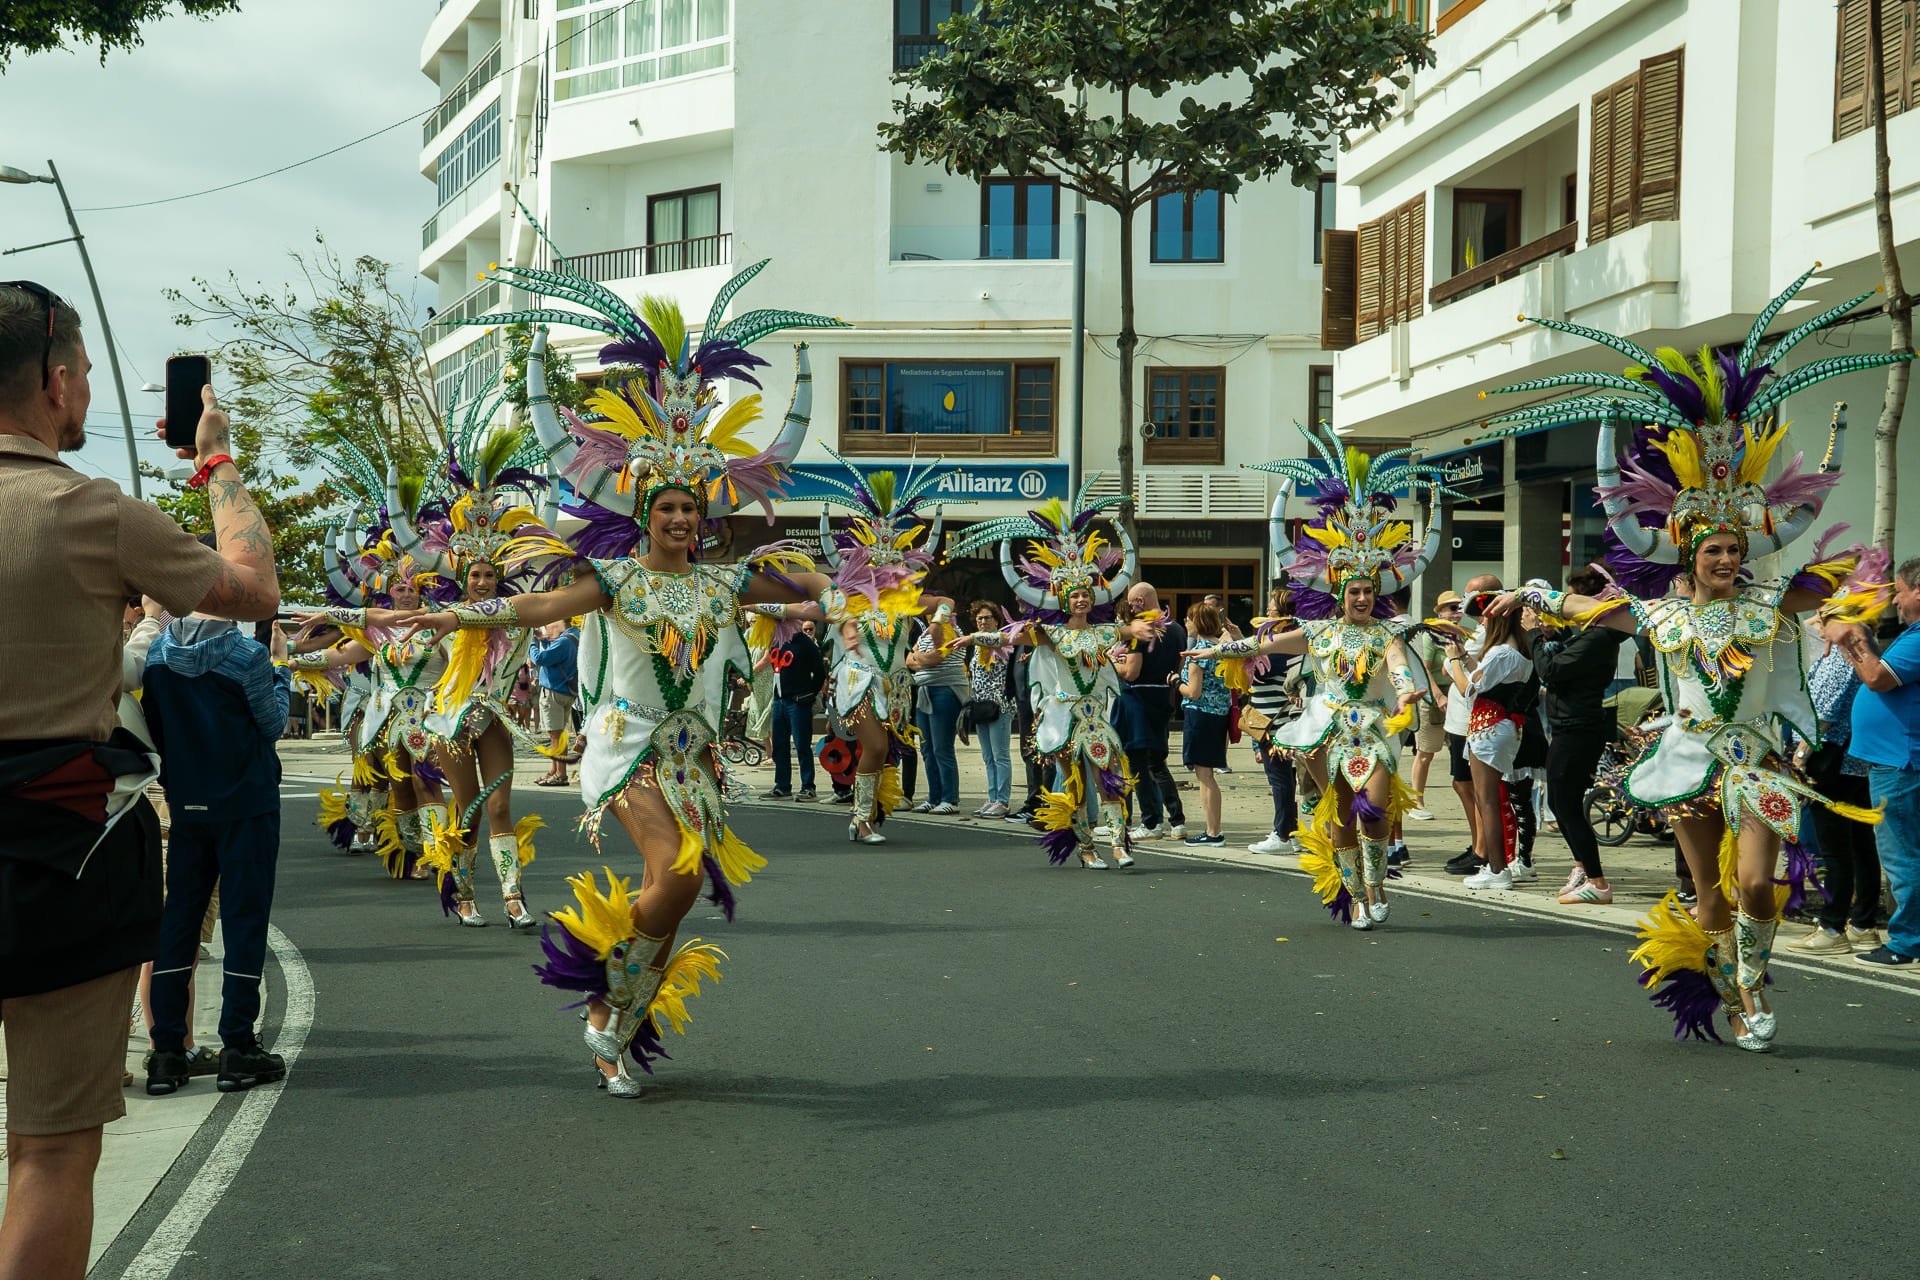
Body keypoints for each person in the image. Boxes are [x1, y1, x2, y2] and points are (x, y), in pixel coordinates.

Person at [414, 238, 848, 1096]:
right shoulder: (610, 578)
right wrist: (458, 609)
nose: (683, 519)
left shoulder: (726, 583)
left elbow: (811, 585)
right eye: (670, 508)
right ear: (645, 513)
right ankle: (608, 998)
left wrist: (831, 579)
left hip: (696, 753)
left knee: (675, 893)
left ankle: (613, 1014)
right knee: (679, 869)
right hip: (627, 742)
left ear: (707, 513)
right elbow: (534, 608)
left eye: (694, 507)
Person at [1496, 265, 1896, 1048]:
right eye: (1710, 547)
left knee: (1755, 882)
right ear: (1688, 550)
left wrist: (1858, 607)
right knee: (1709, 890)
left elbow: (1842, 588)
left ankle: (1751, 984)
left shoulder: (1765, 602)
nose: (1721, 557)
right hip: (1683, 758)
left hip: (1758, 761)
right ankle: (1730, 984)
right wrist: (1536, 593)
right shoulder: (1660, 612)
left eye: (1730, 547)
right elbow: (1583, 605)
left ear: (1744, 548)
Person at [0, 280, 279, 1280]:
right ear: (60, 378)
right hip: (55, 848)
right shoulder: (88, 510)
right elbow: (252, 588)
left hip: (55, 844)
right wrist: (215, 459)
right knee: (51, 1145)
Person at [1194, 425, 1454, 930]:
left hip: (1372, 732)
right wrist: (1209, 651)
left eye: (1367, 590)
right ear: (1339, 592)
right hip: (1322, 731)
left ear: (1376, 591)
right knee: (1338, 818)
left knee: (1374, 812)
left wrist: (1407, 694)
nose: (1360, 597)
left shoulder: (1386, 633)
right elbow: (1262, 644)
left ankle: (1377, 884)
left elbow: (1399, 666)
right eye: (1352, 590)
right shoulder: (1316, 631)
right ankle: (1356, 897)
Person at [947, 491, 1157, 868]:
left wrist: (1142, 629)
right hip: (1063, 719)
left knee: (1108, 779)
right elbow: (1007, 635)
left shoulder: (1104, 631)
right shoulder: (1049, 633)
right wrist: (973, 636)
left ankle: (1120, 845)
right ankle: (1087, 848)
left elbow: (1130, 630)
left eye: (1085, 594)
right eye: (1074, 595)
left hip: (1095, 719)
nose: (1080, 600)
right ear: (1062, 599)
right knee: (1073, 785)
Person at [140, 607, 292, 1096]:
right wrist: (283, 670)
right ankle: (238, 1045)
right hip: (246, 802)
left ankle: (166, 1052)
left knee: (177, 921)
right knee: (245, 918)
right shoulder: (246, 653)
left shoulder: (159, 654)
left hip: (187, 801)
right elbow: (272, 724)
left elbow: (155, 725)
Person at [1838, 557, 1920, 968]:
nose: (1897, 600)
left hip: (1900, 764)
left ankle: (1907, 943)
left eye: (1901, 591)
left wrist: (1850, 636)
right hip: (1897, 761)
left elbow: (1877, 678)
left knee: (1903, 856)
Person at [1533, 568, 1629, 904]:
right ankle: (1582, 868)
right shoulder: (1588, 636)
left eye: (1574, 600)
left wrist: (1535, 636)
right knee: (1561, 803)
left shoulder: (1598, 638)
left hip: (1578, 728)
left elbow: (1551, 671)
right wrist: (1548, 636)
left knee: (1565, 803)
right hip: (1570, 726)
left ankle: (1597, 882)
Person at [1788, 615, 1881, 952]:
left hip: (1829, 760)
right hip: (1854, 761)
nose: (1816, 619)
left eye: (1825, 614)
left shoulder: (1840, 655)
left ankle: (1831, 927)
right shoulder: (1861, 651)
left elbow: (1822, 716)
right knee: (1860, 844)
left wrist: (1799, 757)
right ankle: (1862, 924)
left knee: (1836, 848)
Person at [1443, 597, 1536, 891]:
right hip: (1500, 726)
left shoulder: (1501, 652)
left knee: (1487, 802)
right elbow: (1484, 676)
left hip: (1489, 728)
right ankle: (1497, 866)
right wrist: (1465, 660)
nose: (1481, 623)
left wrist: (1454, 661)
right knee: (1491, 801)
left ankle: (1498, 869)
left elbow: (1467, 687)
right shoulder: (1516, 650)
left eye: (1485, 618)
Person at [1114, 581, 1187, 841]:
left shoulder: (1140, 630)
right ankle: (1177, 821)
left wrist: (1112, 664)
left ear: (1140, 603)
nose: (1130, 609)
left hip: (1137, 701)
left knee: (1137, 764)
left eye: (1132, 603)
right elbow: (1180, 664)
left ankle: (1151, 822)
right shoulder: (1177, 629)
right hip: (1162, 697)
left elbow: (1131, 671)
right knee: (1158, 763)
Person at [1442, 575, 1502, 875]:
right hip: (1460, 718)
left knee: (1476, 788)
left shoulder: (1488, 631)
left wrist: (1455, 657)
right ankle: (1479, 843)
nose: (1464, 605)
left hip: (1472, 717)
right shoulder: (1478, 631)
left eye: (1470, 597)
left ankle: (1483, 848)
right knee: (1463, 784)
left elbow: (1454, 670)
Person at [1246, 586, 1301, 855]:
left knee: (1279, 778)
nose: (1267, 612)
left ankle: (1281, 834)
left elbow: (1262, 670)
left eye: (1272, 609)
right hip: (1273, 719)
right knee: (1285, 778)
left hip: (1273, 722)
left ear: (1284, 615)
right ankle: (1291, 832)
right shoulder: (1281, 641)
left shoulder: (1281, 644)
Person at [1405, 589, 1463, 823]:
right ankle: (1417, 802)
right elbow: (1425, 668)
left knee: (1461, 751)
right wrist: (1438, 696)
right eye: (1450, 608)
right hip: (1433, 698)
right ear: (1439, 612)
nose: (1456, 613)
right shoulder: (1431, 635)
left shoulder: (1461, 635)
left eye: (1458, 607)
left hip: (1458, 696)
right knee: (1426, 752)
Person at [910, 600, 971, 815]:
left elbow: (933, 659)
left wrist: (918, 656)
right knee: (927, 749)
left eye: (931, 611)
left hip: (945, 692)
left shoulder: (950, 630)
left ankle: (949, 799)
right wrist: (918, 657)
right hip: (924, 691)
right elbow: (910, 660)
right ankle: (933, 796)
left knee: (941, 748)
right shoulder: (924, 633)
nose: (928, 615)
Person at [1178, 602, 1232, 845]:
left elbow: (1193, 692)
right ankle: (1213, 830)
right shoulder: (1222, 649)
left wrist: (1173, 682)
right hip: (1219, 715)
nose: (1186, 623)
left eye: (1189, 618)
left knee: (1205, 775)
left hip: (1200, 715)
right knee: (1207, 774)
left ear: (1197, 622)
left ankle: (1213, 832)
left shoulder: (1198, 652)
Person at [963, 599, 1018, 818]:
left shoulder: (1002, 641)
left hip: (999, 705)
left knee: (1000, 755)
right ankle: (992, 797)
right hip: (981, 706)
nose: (983, 622)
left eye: (987, 618)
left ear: (996, 621)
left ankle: (1002, 801)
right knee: (987, 756)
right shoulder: (977, 647)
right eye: (979, 619)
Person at [763, 619, 826, 801]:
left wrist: (809, 693)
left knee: (802, 745)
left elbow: (820, 672)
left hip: (797, 701)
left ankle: (808, 786)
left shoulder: (804, 643)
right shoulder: (777, 640)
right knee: (780, 746)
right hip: (780, 700)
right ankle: (782, 786)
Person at [531, 618, 581, 786]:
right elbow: (553, 656)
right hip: (566, 691)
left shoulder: (563, 642)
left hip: (553, 692)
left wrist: (532, 643)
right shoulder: (574, 637)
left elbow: (538, 659)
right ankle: (554, 770)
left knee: (556, 736)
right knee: (557, 734)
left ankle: (561, 774)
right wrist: (544, 640)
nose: (548, 628)